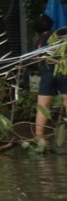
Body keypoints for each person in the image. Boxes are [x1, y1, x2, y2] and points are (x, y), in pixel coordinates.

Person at [34, 14, 67, 143]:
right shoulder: (60, 34)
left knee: (42, 106)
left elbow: (36, 60)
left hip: (46, 74)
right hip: (63, 72)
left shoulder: (38, 42)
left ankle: (39, 136)